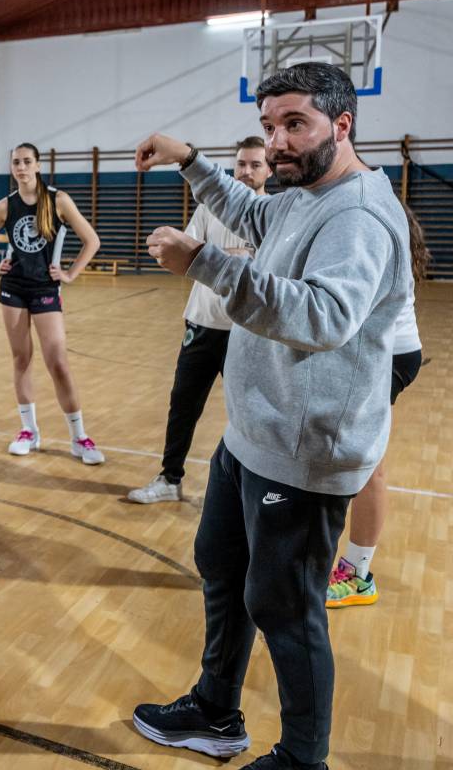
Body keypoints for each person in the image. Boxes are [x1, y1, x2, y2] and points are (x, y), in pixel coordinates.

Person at [130, 63, 409, 770]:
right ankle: (215, 710)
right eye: (268, 126)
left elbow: (325, 316)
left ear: (342, 125)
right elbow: (253, 214)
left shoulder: (357, 214)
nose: (278, 141)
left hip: (306, 449)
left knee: (286, 609)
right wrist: (191, 161)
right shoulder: (302, 194)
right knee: (221, 566)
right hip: (254, 433)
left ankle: (303, 760)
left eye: (294, 125)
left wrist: (205, 263)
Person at [128, 137, 271, 503]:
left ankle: (252, 490)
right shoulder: (211, 207)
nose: (246, 171)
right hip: (202, 324)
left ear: (269, 169)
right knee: (183, 405)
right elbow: (184, 257)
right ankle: (169, 478)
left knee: (249, 415)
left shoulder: (274, 214)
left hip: (248, 330)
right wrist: (229, 256)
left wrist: (216, 256)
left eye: (255, 164)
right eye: (241, 164)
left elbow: (275, 274)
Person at [0, 142, 104, 463]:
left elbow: (92, 240)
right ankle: (29, 431)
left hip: (45, 288)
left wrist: (69, 274)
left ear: (38, 165)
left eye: (27, 161)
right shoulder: (5, 206)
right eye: (16, 162)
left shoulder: (58, 200)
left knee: (57, 361)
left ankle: (79, 438)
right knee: (22, 359)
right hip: (13, 289)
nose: (21, 167)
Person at [326, 204, 428, 608]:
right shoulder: (376, 221)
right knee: (361, 461)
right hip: (382, 353)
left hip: (386, 356)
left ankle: (358, 576)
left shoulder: (371, 228)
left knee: (367, 465)